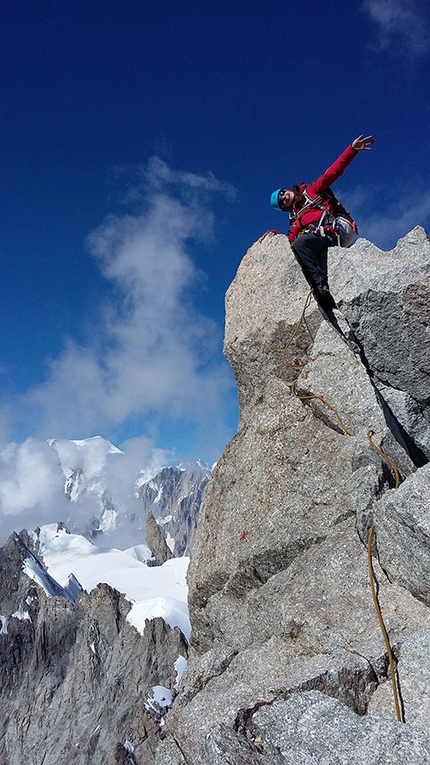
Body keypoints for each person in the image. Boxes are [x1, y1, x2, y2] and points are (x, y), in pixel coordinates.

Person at [270, 135, 374, 305]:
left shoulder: (312, 191)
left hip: (336, 230)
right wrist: (274, 238)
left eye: (283, 194)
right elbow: (289, 241)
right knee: (299, 248)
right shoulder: (296, 219)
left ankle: (321, 283)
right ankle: (323, 293)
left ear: (287, 190)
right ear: (285, 208)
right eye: (282, 202)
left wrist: (352, 149)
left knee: (300, 244)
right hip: (320, 239)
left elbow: (333, 172)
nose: (284, 198)